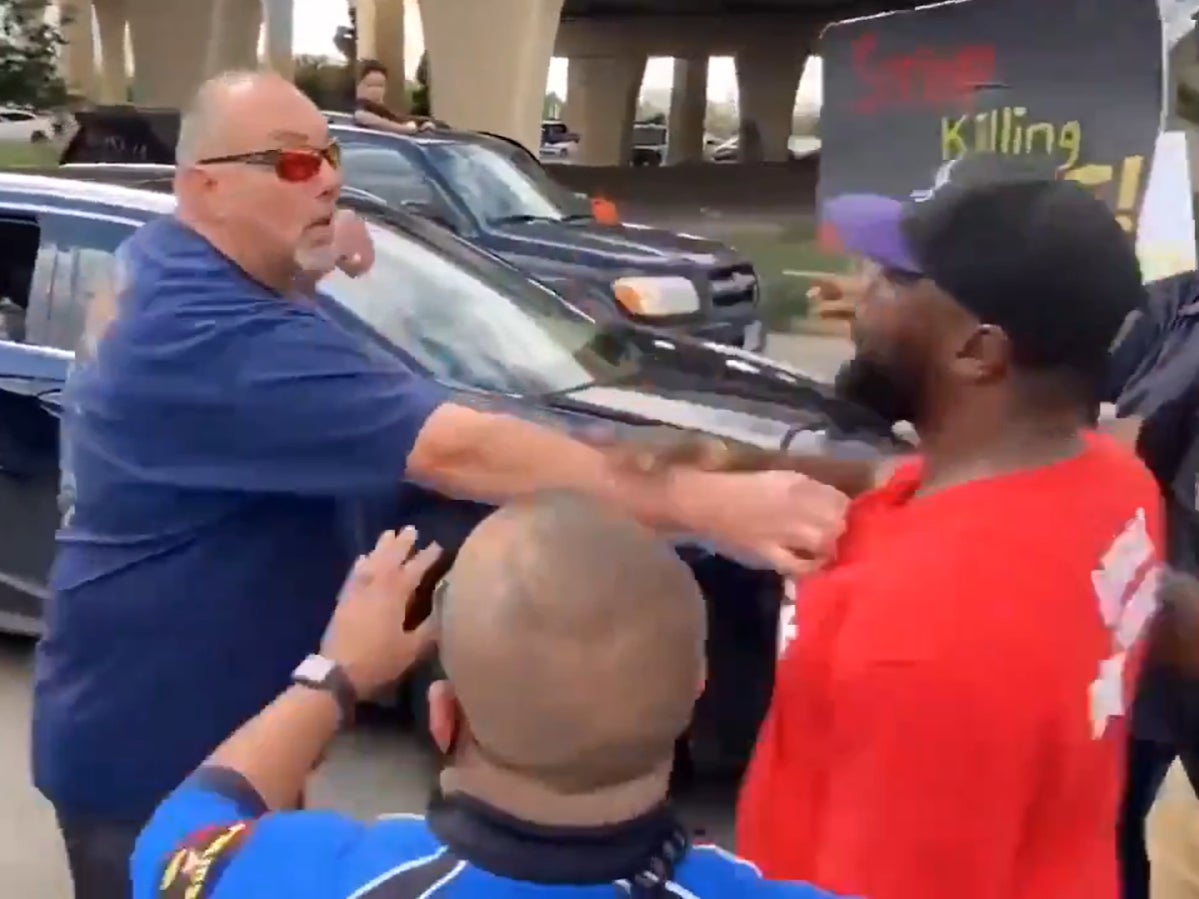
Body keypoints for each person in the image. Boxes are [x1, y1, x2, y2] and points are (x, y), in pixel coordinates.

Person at [32, 70, 847, 899]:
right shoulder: (206, 328)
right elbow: (462, 450)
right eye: (290, 166)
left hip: (235, 720)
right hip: (158, 748)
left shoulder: (186, 261)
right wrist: (701, 501)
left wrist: (300, 265)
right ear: (204, 185)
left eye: (330, 156)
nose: (328, 179)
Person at [729, 176, 1166, 899]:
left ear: (978, 351)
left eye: (896, 278)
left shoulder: (920, 631)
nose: (861, 291)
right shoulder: (1111, 481)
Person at [132, 497, 845, 899]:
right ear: (694, 698)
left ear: (444, 716)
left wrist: (336, 674)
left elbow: (182, 829)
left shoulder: (310, 878)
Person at [352, 59, 435, 134]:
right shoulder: (359, 111)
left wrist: (421, 122)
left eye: (380, 86)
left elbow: (398, 118)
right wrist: (410, 128)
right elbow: (369, 119)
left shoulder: (380, 110)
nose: (376, 90)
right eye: (370, 85)